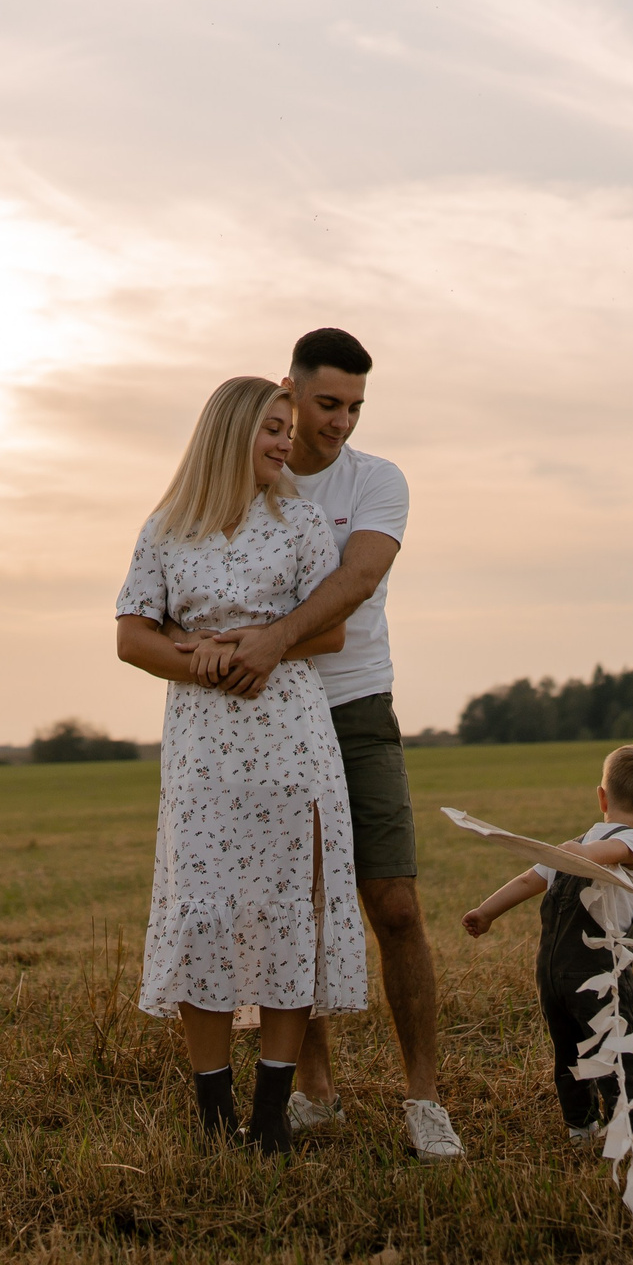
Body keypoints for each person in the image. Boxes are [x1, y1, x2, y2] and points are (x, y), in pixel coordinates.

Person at [179, 329, 464, 1163]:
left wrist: (272, 638)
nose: (339, 423)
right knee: (287, 908)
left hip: (354, 706)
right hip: (262, 719)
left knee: (395, 902)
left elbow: (359, 578)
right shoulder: (243, 483)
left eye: (354, 408)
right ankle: (316, 1093)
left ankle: (424, 1100)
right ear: (288, 391)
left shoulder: (377, 480)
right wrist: (230, 657)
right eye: (327, 403)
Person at [114, 376, 369, 1154]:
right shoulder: (168, 527)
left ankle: (270, 1114)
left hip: (291, 741)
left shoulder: (297, 522)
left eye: (288, 429)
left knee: (289, 910)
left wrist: (262, 643)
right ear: (229, 434)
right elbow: (132, 635)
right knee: (205, 917)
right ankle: (213, 1111)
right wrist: (205, 665)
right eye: (271, 428)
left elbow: (330, 633)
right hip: (203, 750)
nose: (286, 441)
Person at [459, 744, 633, 1139]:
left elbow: (533, 879)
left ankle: (580, 1127)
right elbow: (603, 853)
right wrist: (486, 911)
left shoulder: (583, 844)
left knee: (571, 1051)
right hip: (599, 974)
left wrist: (488, 910)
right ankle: (627, 1133)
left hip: (551, 970)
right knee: (620, 1049)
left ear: (602, 797)